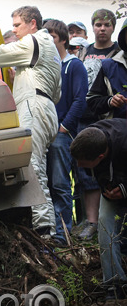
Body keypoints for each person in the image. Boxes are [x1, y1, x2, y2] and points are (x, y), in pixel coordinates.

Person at [0, 6, 62, 237]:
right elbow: (58, 93)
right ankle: (43, 228)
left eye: (16, 25)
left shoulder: (33, 41)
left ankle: (45, 232)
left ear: (32, 23)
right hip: (47, 107)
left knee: (33, 168)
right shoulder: (50, 49)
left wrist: (8, 48)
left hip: (34, 106)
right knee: (35, 166)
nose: (15, 30)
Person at [73, 8, 120, 241]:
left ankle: (107, 221)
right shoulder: (84, 52)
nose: (102, 28)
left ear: (113, 27)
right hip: (83, 116)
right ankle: (89, 221)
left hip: (108, 119)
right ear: (92, 27)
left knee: (110, 170)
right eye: (98, 25)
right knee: (84, 172)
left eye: (107, 25)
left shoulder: (118, 53)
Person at [70, 119, 127, 300]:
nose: (78, 167)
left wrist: (125, 189)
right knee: (104, 224)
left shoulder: (124, 141)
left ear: (100, 157)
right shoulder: (89, 139)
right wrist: (108, 189)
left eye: (83, 163)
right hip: (112, 189)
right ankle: (115, 284)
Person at [43, 19, 88, 244]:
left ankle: (63, 235)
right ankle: (51, 233)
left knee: (61, 184)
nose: (48, 41)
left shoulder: (73, 65)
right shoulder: (44, 66)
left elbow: (80, 100)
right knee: (46, 184)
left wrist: (64, 127)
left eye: (51, 36)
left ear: (62, 39)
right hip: (44, 133)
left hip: (61, 133)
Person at [86, 18, 127, 121]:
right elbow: (92, 101)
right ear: (124, 37)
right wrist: (110, 101)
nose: (102, 28)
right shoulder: (109, 66)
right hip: (118, 131)